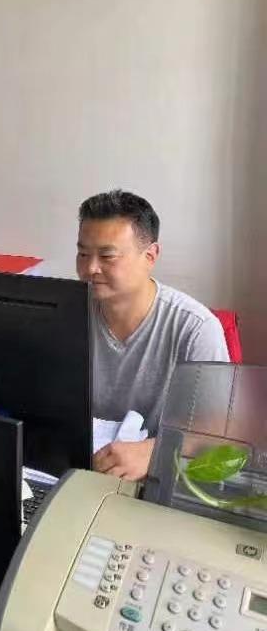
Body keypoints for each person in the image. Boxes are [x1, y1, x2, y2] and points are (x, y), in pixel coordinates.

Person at [76, 190, 229, 481]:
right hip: (83, 470)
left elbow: (222, 433)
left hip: (159, 478)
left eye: (107, 256)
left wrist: (157, 452)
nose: (90, 268)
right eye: (83, 254)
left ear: (150, 256)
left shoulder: (195, 328)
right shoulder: (68, 311)